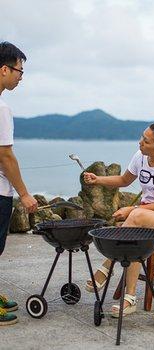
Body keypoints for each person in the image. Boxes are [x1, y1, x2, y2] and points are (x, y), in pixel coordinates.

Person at [84, 122, 154, 316]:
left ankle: (107, 266)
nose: (140, 142)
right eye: (142, 137)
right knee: (133, 235)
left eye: (146, 141)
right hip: (144, 217)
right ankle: (130, 298)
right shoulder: (140, 157)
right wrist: (98, 179)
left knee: (135, 217)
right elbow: (123, 181)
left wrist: (133, 209)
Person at [0, 42, 38, 325]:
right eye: (19, 71)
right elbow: (5, 155)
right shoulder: (2, 109)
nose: (21, 77)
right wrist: (24, 194)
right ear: (4, 69)